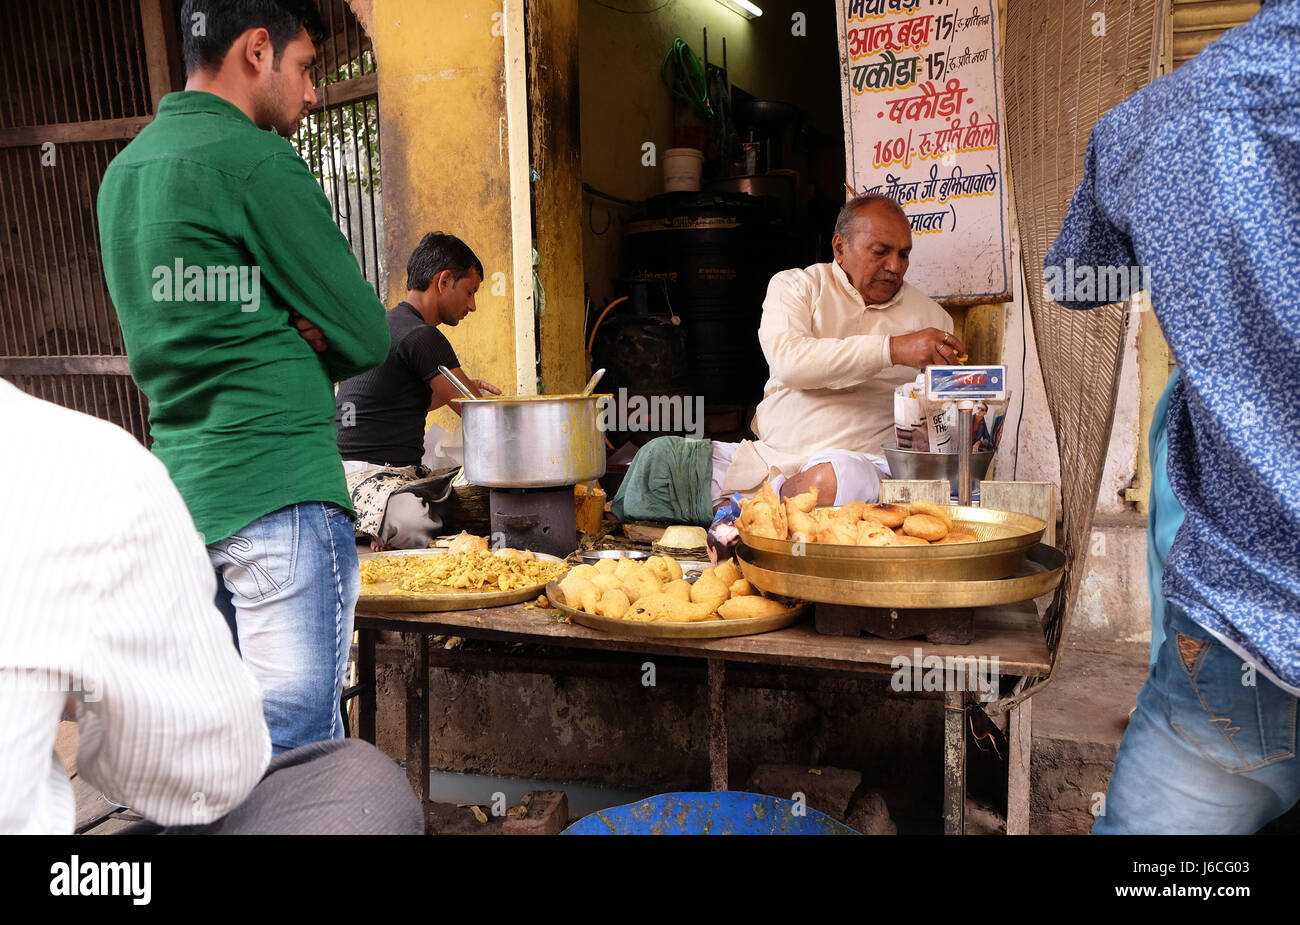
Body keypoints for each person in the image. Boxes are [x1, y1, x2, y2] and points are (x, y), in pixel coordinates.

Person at [96, 0, 390, 754]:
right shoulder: (255, 160)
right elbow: (363, 330)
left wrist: (271, 313)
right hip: (280, 491)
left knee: (222, 749)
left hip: (187, 504)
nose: (314, 90)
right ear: (257, 50)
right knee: (298, 756)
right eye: (306, 66)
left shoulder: (123, 174)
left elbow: (169, 331)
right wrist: (299, 327)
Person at [1045, 0, 1300, 834]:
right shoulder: (799, 296)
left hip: (1247, 631)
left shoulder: (1166, 116)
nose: (891, 267)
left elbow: (1076, 279)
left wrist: (1196, 261)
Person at [0, 380, 422, 835]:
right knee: (362, 778)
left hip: (201, 486)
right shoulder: (77, 461)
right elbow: (190, 772)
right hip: (281, 488)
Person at [613, 195, 964, 524]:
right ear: (840, 248)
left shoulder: (931, 320)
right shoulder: (796, 286)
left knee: (838, 476)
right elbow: (791, 361)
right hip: (770, 460)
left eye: (904, 254)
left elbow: (945, 419)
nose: (894, 266)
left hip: (856, 470)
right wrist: (892, 349)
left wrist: (952, 393)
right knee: (662, 458)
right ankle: (760, 512)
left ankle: (748, 519)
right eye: (881, 251)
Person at [335, 232, 501, 550]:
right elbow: (479, 414)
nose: (473, 305)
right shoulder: (423, 336)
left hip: (342, 480)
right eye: (469, 292)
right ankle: (390, 524)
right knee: (486, 495)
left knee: (450, 483)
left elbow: (400, 404)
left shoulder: (384, 324)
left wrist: (468, 387)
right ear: (444, 281)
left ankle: (386, 524)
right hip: (375, 483)